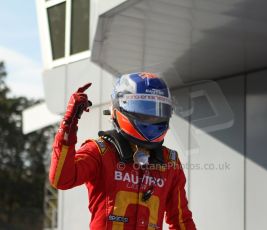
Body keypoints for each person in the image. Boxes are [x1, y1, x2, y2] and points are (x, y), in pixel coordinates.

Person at [49, 72, 196, 230]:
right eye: (144, 109)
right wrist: (68, 124)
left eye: (158, 110)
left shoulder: (170, 162)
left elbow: (181, 220)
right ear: (119, 108)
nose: (152, 117)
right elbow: (62, 179)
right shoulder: (100, 151)